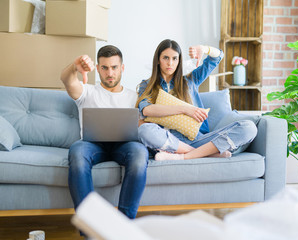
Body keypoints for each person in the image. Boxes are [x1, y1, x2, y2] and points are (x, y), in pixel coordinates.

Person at [60, 45, 149, 223]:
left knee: (140, 153)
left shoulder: (135, 96)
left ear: (122, 68)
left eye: (114, 67)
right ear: (98, 69)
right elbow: (67, 80)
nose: (110, 73)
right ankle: (90, 225)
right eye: (105, 68)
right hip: (91, 145)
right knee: (77, 153)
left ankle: (124, 225)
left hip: (124, 145)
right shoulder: (87, 91)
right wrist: (74, 67)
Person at [136, 39, 257, 161]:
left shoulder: (190, 80)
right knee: (144, 130)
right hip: (167, 141)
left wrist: (204, 49)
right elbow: (147, 110)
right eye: (165, 58)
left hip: (197, 140)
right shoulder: (146, 85)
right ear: (158, 60)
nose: (170, 63)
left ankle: (185, 156)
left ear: (179, 61)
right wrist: (186, 109)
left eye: (174, 58)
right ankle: (205, 153)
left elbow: (218, 57)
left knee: (249, 127)